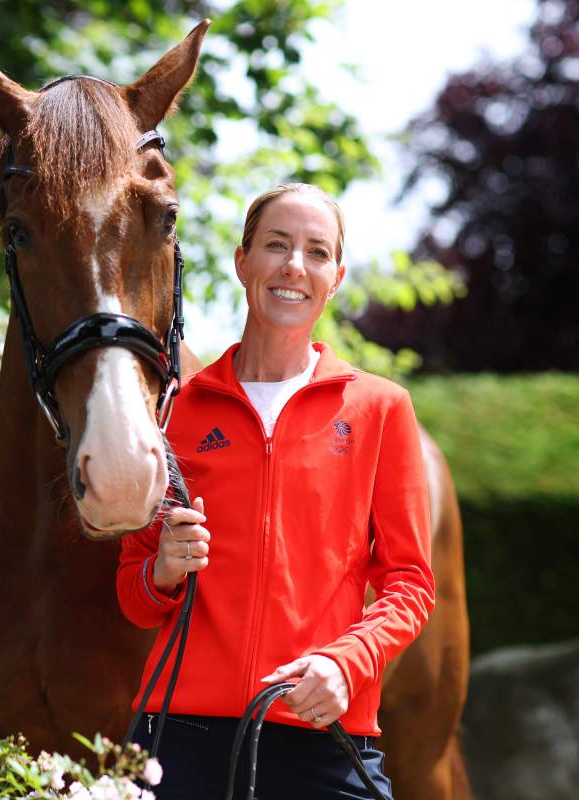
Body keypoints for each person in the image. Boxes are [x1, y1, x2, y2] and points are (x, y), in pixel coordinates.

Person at [117, 183, 435, 799]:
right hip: (179, 739)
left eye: (317, 252)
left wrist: (349, 662)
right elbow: (132, 593)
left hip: (321, 728)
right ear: (243, 262)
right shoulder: (174, 413)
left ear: (335, 277)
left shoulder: (380, 409)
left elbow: (411, 582)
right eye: (276, 245)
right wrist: (161, 570)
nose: (295, 265)